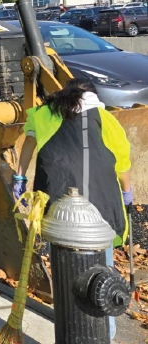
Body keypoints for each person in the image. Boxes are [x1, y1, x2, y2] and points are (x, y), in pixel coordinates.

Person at [14, 77, 133, 339]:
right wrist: (127, 192)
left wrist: (19, 178)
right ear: (93, 94)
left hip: (60, 207)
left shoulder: (46, 113)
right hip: (101, 209)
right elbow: (122, 163)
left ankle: (69, 324)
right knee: (103, 273)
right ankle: (106, 335)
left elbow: (28, 144)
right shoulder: (107, 120)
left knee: (65, 267)